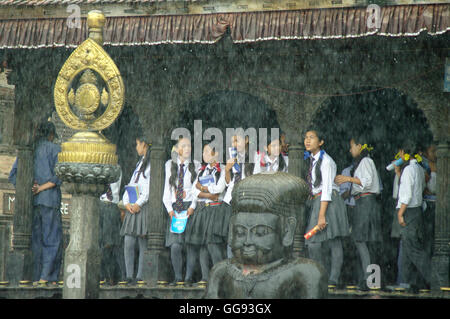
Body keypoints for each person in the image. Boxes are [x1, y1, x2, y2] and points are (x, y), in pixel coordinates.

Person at [303, 129, 350, 289]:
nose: (307, 140)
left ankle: (333, 278)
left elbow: (327, 189)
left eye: (312, 137)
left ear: (321, 142)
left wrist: (322, 215)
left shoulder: (327, 161)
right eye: (306, 138)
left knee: (332, 241)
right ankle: (321, 275)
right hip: (319, 200)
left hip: (329, 202)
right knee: (314, 242)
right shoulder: (312, 160)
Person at [335, 136, 382, 290]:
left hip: (365, 202)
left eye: (352, 146)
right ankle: (370, 280)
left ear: (360, 146)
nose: (350, 150)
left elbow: (367, 182)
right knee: (363, 241)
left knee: (361, 240)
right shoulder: (361, 162)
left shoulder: (366, 161)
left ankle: (369, 280)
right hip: (362, 202)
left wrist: (348, 178)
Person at [394, 141, 433, 293]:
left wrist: (400, 213)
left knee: (414, 249)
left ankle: (434, 279)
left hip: (409, 211)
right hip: (416, 211)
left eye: (401, 153)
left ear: (404, 153)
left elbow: (407, 194)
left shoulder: (409, 170)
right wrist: (398, 172)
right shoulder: (418, 168)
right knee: (406, 247)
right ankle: (404, 281)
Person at [186, 144, 226, 286]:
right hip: (202, 210)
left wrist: (202, 188)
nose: (204, 154)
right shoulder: (202, 171)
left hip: (214, 210)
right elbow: (193, 192)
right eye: (203, 151)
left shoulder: (222, 170)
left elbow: (219, 189)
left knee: (213, 244)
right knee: (202, 244)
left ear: (215, 153)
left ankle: (220, 277)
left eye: (207, 151)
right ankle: (204, 277)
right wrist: (207, 193)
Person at [163, 136, 200, 286]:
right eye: (184, 146)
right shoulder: (169, 165)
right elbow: (167, 188)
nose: (187, 149)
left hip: (190, 206)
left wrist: (193, 206)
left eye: (189, 146)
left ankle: (189, 277)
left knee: (190, 243)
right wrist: (169, 209)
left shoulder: (196, 164)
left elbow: (197, 188)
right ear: (177, 149)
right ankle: (178, 277)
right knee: (175, 245)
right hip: (175, 207)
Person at [31, 121, 63, 286]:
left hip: (35, 203)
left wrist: (33, 188)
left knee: (37, 241)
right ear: (51, 135)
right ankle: (47, 277)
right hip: (50, 201)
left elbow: (14, 174)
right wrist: (43, 187)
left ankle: (36, 277)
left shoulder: (31, 149)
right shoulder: (55, 149)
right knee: (52, 239)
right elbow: (59, 175)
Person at [120, 136, 151, 285]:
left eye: (137, 144)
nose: (136, 147)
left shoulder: (151, 163)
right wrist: (126, 203)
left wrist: (139, 203)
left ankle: (140, 275)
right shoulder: (139, 163)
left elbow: (150, 187)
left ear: (144, 144)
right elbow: (132, 183)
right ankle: (129, 274)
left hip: (143, 206)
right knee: (128, 240)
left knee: (142, 240)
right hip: (132, 206)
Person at [223, 133, 254, 258]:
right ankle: (231, 265)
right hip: (231, 200)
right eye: (232, 141)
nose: (234, 144)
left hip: (246, 201)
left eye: (237, 140)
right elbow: (228, 182)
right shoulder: (233, 157)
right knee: (231, 235)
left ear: (246, 139)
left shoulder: (254, 157)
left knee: (244, 234)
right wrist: (226, 169)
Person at [99, 169, 125, 286]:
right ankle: (101, 275)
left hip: (112, 204)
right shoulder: (99, 166)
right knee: (99, 241)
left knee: (110, 244)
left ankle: (112, 276)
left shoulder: (117, 168)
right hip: (99, 204)